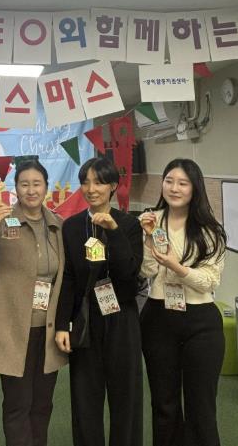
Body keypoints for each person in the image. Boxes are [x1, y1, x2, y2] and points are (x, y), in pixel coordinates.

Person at [0, 158, 67, 446]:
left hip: (48, 329)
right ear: (16, 188)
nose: (31, 190)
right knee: (17, 404)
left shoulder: (58, 225)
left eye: (37, 184)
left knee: (43, 404)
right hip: (13, 329)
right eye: (24, 184)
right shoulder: (2, 221)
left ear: (46, 187)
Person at [55, 157, 143, 446]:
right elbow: (68, 277)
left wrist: (114, 231)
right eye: (85, 182)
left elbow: (129, 275)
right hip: (86, 318)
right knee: (85, 399)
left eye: (99, 182)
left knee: (126, 398)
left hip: (122, 317)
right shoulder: (72, 226)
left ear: (113, 186)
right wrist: (62, 324)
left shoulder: (129, 225)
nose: (91, 189)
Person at [139, 158, 227, 446]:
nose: (174, 188)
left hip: (201, 322)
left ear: (194, 188)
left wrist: (177, 267)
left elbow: (210, 281)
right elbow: (147, 270)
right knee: (164, 404)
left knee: (201, 406)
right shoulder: (151, 221)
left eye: (182, 183)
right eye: (169, 181)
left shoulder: (209, 229)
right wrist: (148, 239)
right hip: (158, 318)